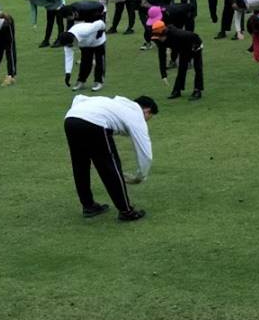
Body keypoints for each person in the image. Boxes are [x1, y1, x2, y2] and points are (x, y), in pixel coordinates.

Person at [63, 93, 156, 221]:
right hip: (95, 124)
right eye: (148, 118)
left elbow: (79, 98)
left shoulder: (116, 103)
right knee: (110, 167)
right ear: (147, 110)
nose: (145, 121)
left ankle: (88, 206)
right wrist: (140, 177)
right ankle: (126, 211)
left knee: (80, 166)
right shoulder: (136, 114)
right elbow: (145, 151)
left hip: (71, 119)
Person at [150, 20, 203, 100]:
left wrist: (196, 47)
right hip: (183, 49)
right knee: (182, 68)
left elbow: (194, 36)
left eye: (160, 37)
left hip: (195, 45)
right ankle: (177, 91)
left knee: (198, 68)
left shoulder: (178, 34)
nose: (159, 39)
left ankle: (197, 90)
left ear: (165, 34)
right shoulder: (160, 41)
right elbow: (162, 57)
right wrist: (163, 74)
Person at [60, 18, 108, 91]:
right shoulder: (67, 42)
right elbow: (68, 58)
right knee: (85, 62)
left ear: (73, 39)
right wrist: (68, 74)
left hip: (98, 41)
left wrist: (102, 30)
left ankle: (98, 81)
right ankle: (81, 81)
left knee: (99, 61)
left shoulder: (85, 31)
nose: (70, 47)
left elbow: (100, 23)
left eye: (70, 45)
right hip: (85, 45)